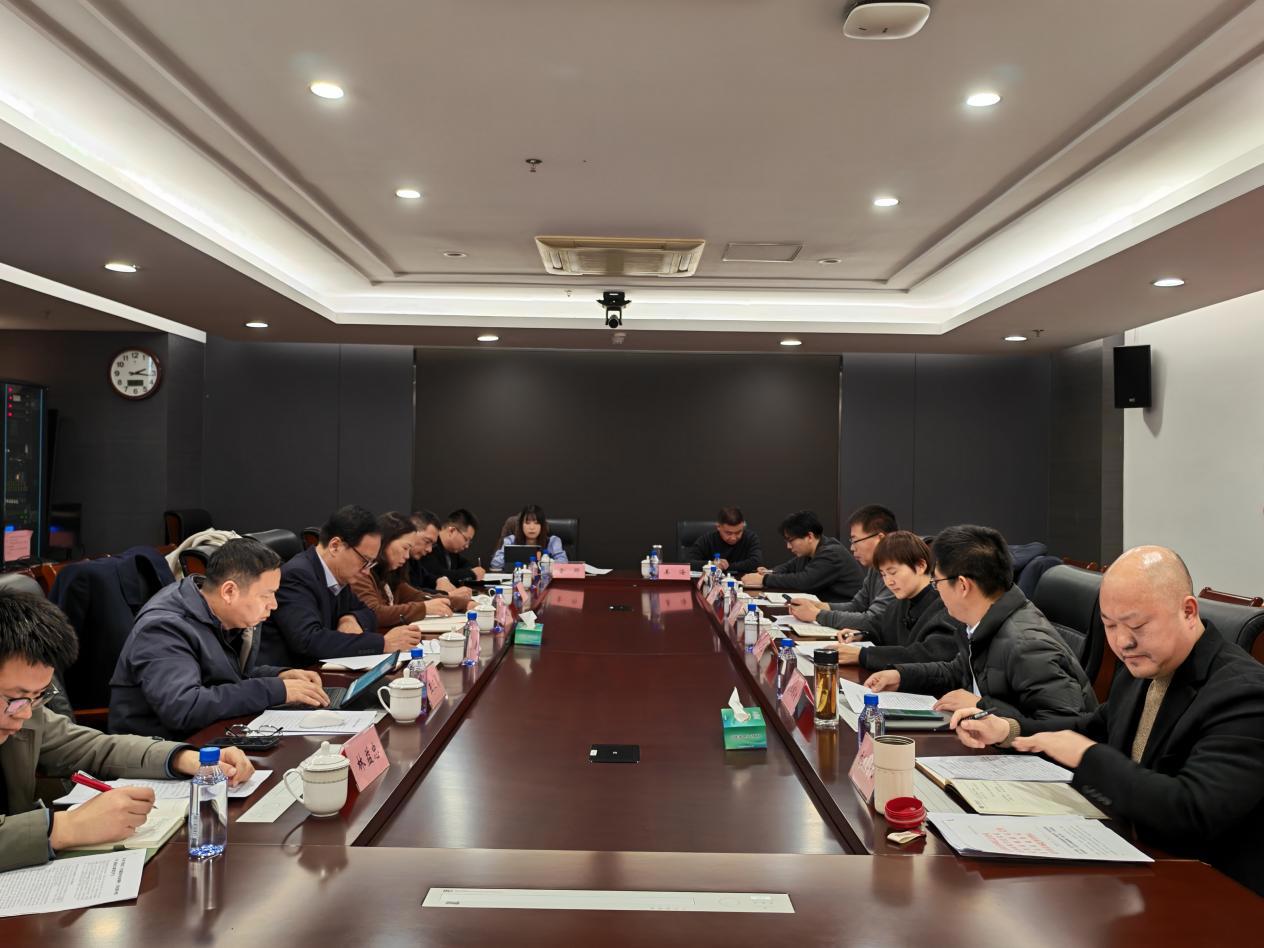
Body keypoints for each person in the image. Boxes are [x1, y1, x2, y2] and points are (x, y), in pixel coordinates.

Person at [949, 546, 1264, 896]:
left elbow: (1191, 810)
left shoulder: (1246, 694)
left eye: (1137, 625)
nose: (1122, 642)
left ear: (1188, 611)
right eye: (1109, 625)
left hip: (1212, 891)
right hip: (1136, 861)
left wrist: (1087, 756)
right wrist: (1009, 729)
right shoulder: (1142, 665)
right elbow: (1092, 727)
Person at [0, 589, 254, 873]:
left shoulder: (28, 711)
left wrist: (185, 759)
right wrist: (63, 828)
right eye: (15, 698)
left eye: (38, 696)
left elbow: (95, 748)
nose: (24, 713)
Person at [864, 524, 1096, 720]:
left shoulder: (1026, 645)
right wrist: (901, 676)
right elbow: (957, 671)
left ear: (963, 585)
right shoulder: (980, 622)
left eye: (937, 582)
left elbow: (1065, 726)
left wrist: (981, 706)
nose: (937, 591)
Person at [109, 539, 330, 740]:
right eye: (266, 595)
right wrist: (274, 690)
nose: (273, 605)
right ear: (229, 592)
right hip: (160, 751)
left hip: (209, 736)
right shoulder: (163, 629)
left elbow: (223, 676)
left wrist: (278, 676)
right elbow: (184, 708)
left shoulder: (223, 614)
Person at [260, 505, 420, 667]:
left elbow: (369, 613)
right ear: (335, 546)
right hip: (294, 674)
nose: (366, 571)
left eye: (371, 564)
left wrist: (350, 618)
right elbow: (309, 640)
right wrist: (383, 643)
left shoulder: (338, 574)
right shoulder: (296, 575)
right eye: (364, 561)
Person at [825, 531, 961, 672]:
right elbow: (883, 631)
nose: (888, 582)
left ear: (920, 565)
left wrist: (863, 655)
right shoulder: (899, 603)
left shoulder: (946, 604)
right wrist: (861, 635)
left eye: (893, 572)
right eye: (883, 574)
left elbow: (928, 655)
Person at [789, 504, 896, 635]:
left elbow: (873, 620)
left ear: (880, 539)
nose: (852, 548)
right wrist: (818, 606)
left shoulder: (896, 573)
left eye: (856, 541)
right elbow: (857, 606)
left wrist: (817, 614)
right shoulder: (875, 568)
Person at [350, 511, 456, 633]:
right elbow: (374, 613)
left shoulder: (389, 574)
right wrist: (424, 608)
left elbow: (419, 596)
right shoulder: (362, 573)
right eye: (405, 548)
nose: (407, 556)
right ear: (385, 542)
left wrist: (464, 603)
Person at [741, 510, 863, 601]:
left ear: (809, 536)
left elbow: (805, 581)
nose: (788, 546)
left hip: (845, 614)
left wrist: (764, 579)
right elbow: (788, 567)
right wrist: (769, 572)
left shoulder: (832, 553)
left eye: (791, 541)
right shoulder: (809, 552)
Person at [405, 510, 472, 606]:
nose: (429, 550)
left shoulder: (413, 560)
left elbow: (426, 578)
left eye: (432, 544)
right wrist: (447, 595)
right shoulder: (399, 563)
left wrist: (440, 579)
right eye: (427, 541)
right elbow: (410, 594)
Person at [685, 506, 762, 574]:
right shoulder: (707, 540)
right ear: (718, 527)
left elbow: (756, 562)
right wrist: (712, 564)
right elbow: (688, 563)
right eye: (728, 533)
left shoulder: (751, 538)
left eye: (738, 532)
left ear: (743, 525)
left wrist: (725, 566)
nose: (733, 538)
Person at [490, 505, 570, 570]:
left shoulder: (553, 541)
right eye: (527, 523)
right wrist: (512, 556)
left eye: (536, 523)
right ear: (521, 525)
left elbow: (563, 563)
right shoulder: (511, 540)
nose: (532, 527)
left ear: (542, 526)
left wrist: (547, 562)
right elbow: (495, 564)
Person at [418, 509, 485, 585]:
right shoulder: (430, 546)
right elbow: (438, 574)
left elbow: (466, 564)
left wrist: (471, 572)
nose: (467, 545)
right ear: (452, 531)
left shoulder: (451, 551)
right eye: (466, 539)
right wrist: (471, 574)